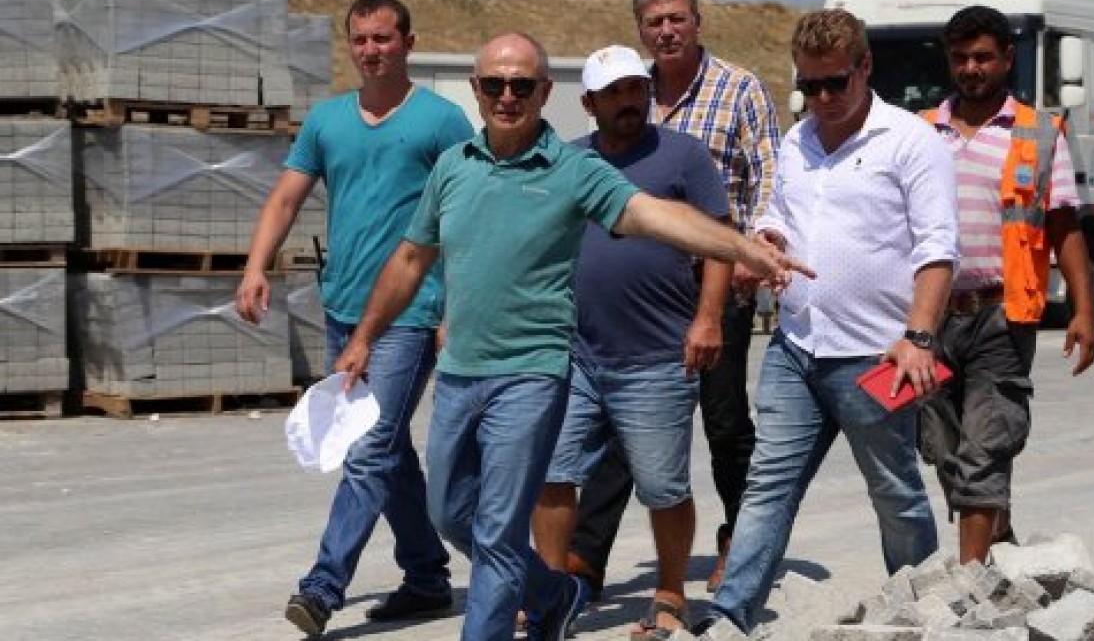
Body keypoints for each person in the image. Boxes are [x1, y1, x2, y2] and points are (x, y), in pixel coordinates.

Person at [330, 32, 812, 641]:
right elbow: (409, 258)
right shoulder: (453, 166)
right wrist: (364, 337)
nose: (507, 96)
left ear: (543, 93)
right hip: (459, 372)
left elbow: (653, 215)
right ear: (476, 90)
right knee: (450, 513)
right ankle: (552, 593)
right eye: (495, 85)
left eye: (521, 85)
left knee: (501, 527)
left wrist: (742, 248)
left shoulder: (574, 170)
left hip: (534, 371)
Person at [697, 8, 958, 635]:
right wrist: (767, 243)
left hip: (877, 355)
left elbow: (937, 249)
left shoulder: (910, 141)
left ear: (865, 68)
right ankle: (730, 615)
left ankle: (923, 613)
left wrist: (919, 337)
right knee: (767, 485)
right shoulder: (797, 142)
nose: (820, 98)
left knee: (894, 491)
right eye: (808, 85)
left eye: (834, 83)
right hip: (797, 347)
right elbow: (778, 216)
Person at [236, 0, 471, 637]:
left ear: (408, 43)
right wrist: (256, 266)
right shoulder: (327, 121)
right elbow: (286, 200)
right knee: (387, 452)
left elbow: (470, 214)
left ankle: (322, 587)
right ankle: (427, 577)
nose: (371, 50)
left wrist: (454, 306)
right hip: (342, 308)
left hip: (410, 314)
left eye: (383, 38)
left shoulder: (442, 122)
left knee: (367, 450)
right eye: (361, 39)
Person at [567, 0, 782, 597]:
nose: (666, 30)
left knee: (724, 422)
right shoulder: (629, 89)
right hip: (640, 296)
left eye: (676, 19)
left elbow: (770, 177)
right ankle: (584, 558)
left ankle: (740, 542)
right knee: (620, 424)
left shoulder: (739, 88)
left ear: (697, 22)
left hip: (715, 280)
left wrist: (753, 247)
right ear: (641, 31)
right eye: (654, 22)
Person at [529, 45, 731, 639]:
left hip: (658, 357)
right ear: (589, 102)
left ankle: (670, 593)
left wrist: (708, 318)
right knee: (552, 473)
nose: (628, 102)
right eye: (614, 93)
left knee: (663, 486)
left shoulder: (684, 156)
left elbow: (721, 241)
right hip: (575, 354)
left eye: (636, 89)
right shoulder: (566, 161)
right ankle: (549, 595)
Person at [917, 5, 1094, 564]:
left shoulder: (1039, 133)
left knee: (987, 441)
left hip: (1002, 315)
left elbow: (1063, 225)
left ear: (1007, 58)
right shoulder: (920, 131)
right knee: (940, 444)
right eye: (960, 58)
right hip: (929, 318)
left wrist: (1084, 310)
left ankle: (971, 582)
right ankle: (998, 533)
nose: (971, 69)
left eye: (983, 57)